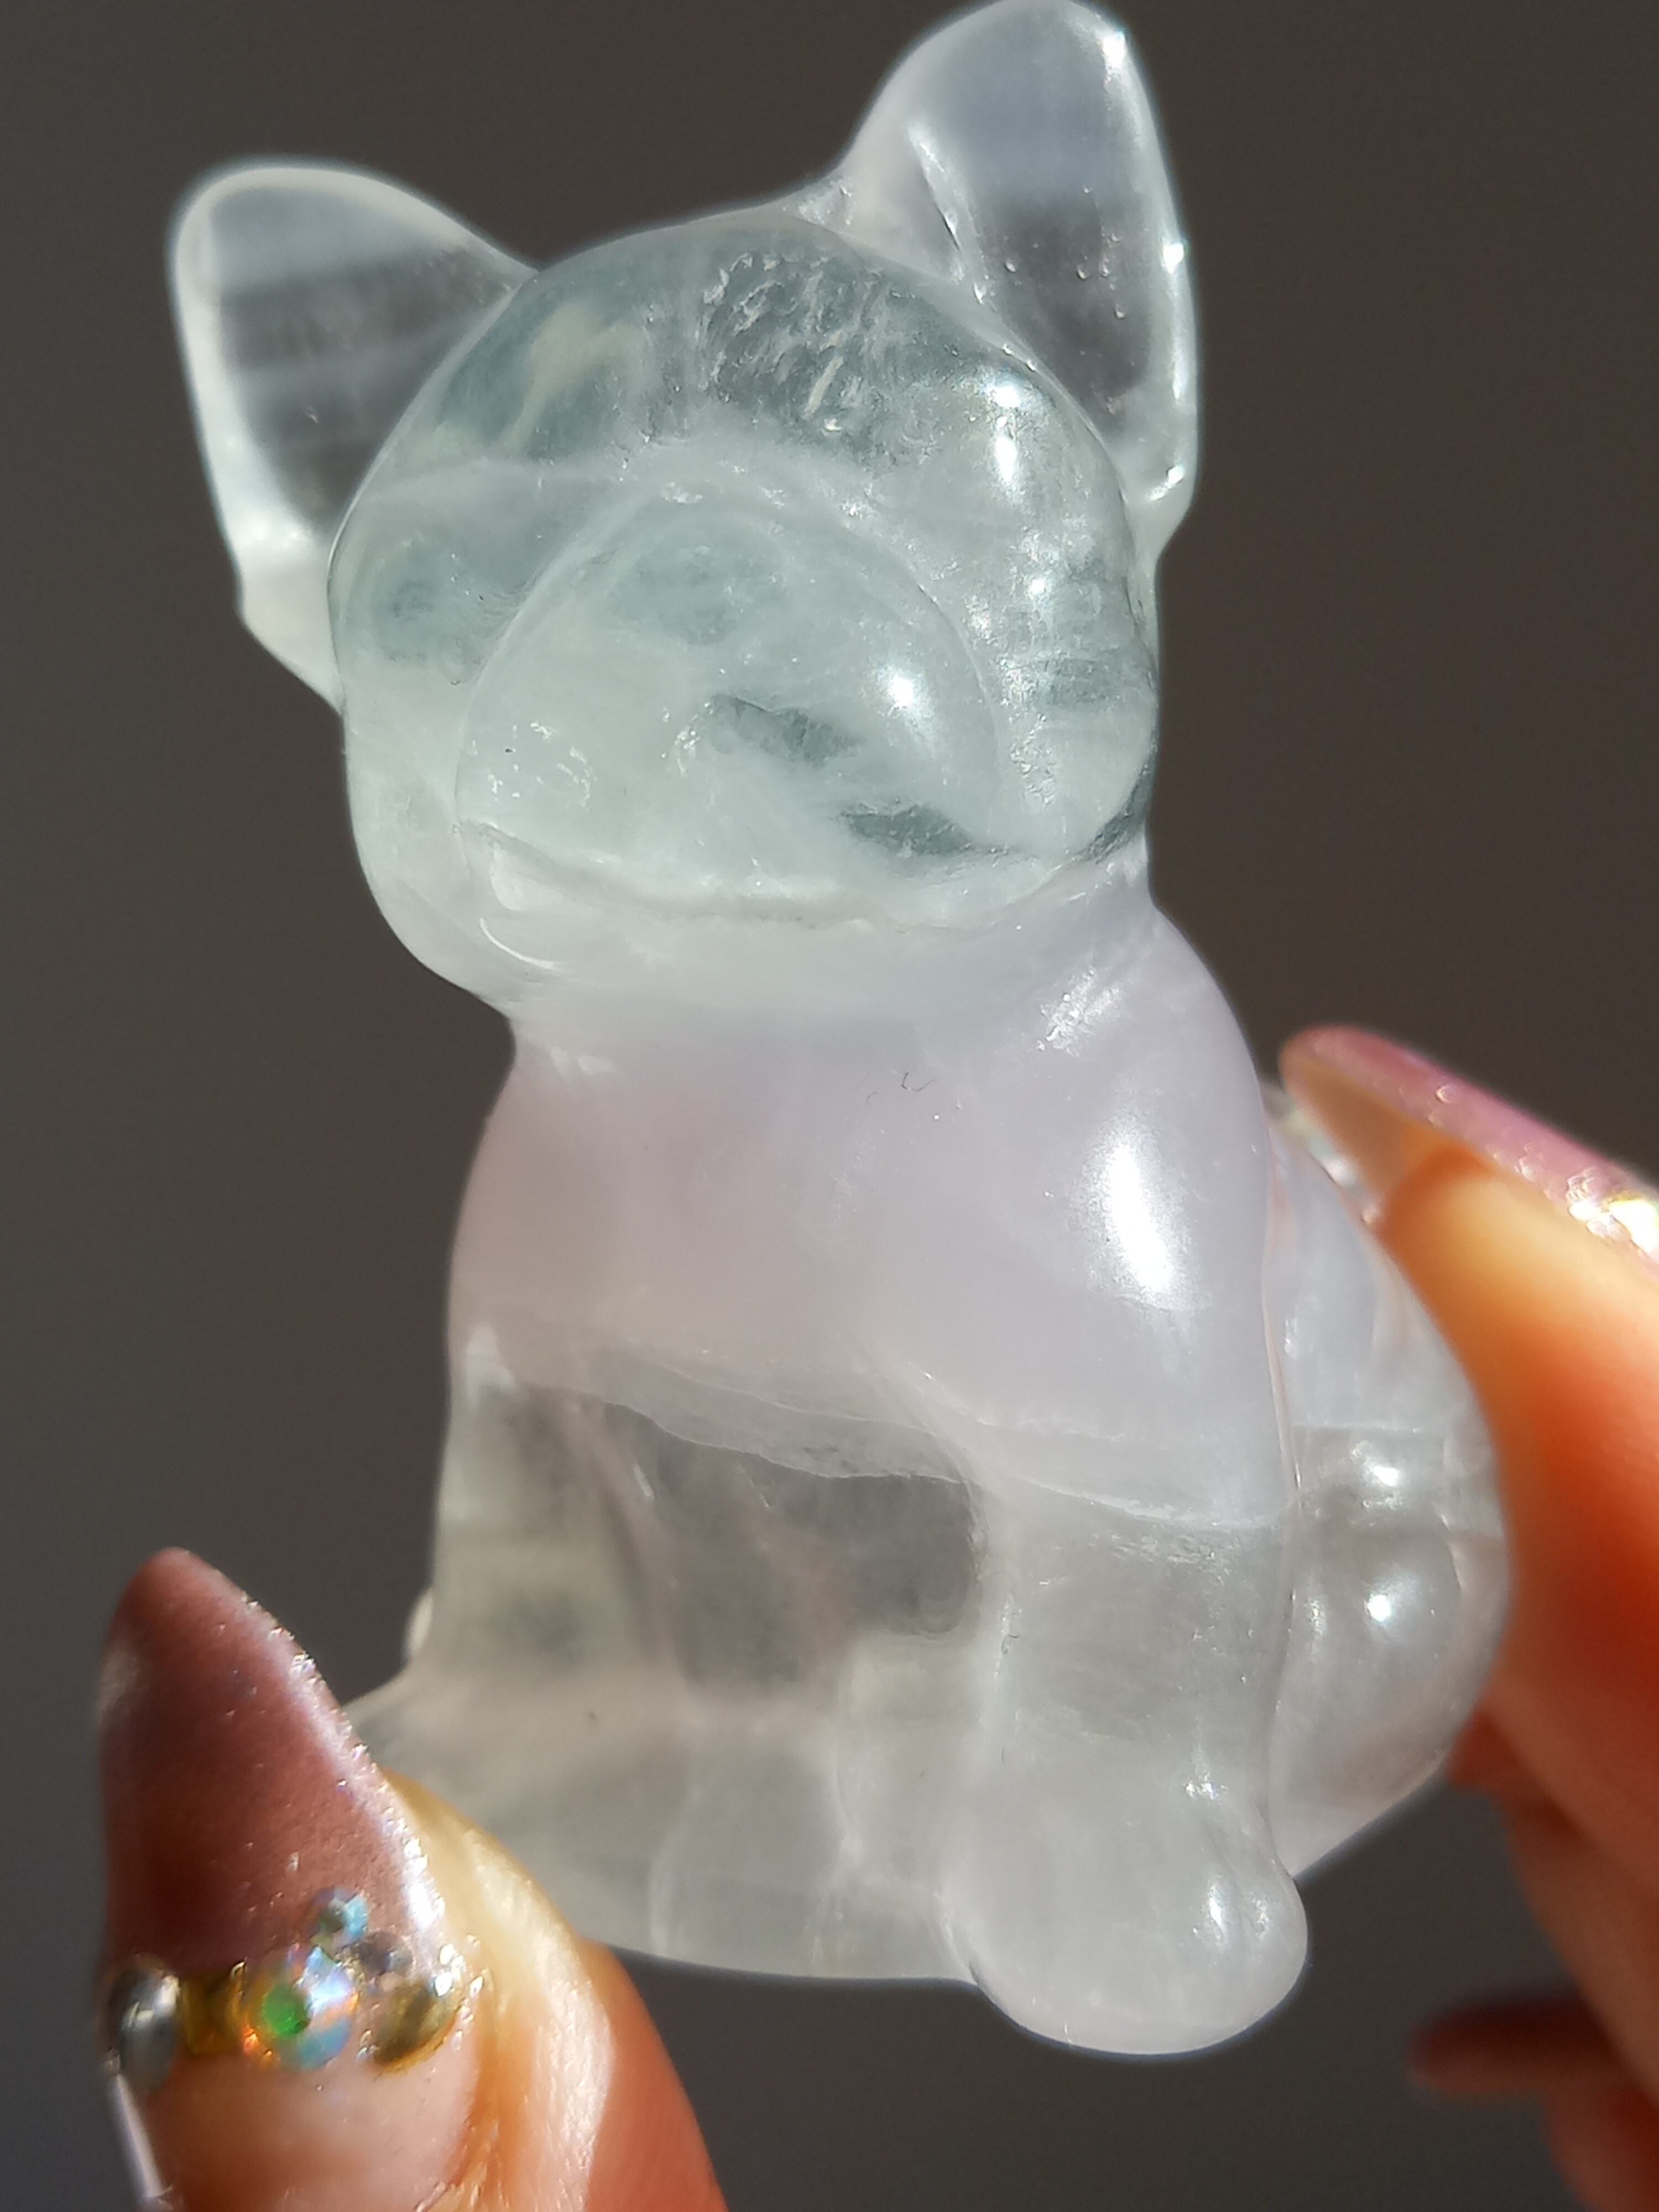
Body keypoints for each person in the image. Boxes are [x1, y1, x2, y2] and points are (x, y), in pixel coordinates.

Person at [96, 1028, 1659, 2212]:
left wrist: (1131, 1791)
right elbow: (546, 1457)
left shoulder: (1082, 1095)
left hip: (1283, 1639)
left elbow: (1172, 1493)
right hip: (806, 1718)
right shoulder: (590, 1084)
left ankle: (1119, 1808)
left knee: (1110, 1481)